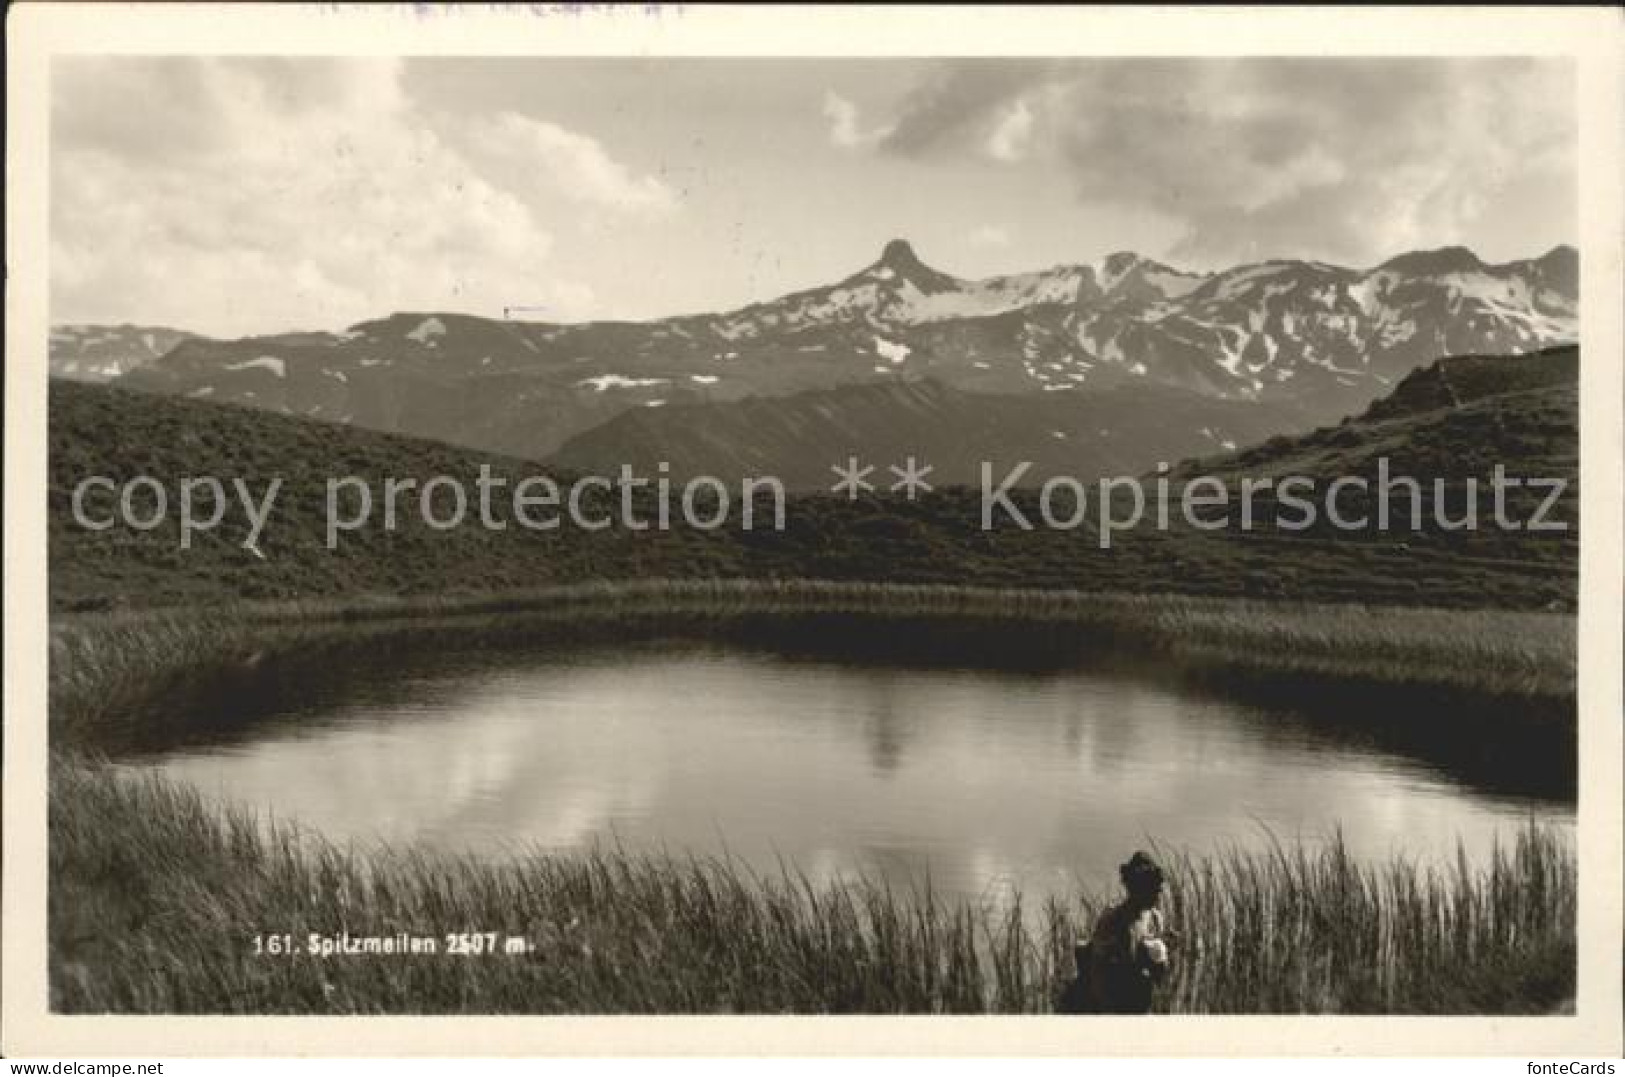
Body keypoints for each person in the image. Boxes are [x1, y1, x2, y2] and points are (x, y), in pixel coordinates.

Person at [1058, 850, 1173, 1014]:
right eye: (1154, 888)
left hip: (1139, 999)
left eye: (1158, 888)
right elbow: (1097, 973)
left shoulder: (1155, 918)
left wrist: (1161, 956)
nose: (1159, 893)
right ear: (1139, 889)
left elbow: (1158, 971)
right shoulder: (1113, 920)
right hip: (1115, 1003)